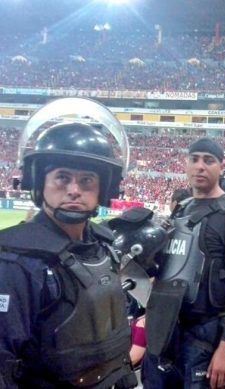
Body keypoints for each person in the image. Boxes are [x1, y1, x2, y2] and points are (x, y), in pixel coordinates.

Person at [0, 100, 137, 388]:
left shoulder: (104, 245)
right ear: (39, 183)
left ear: (104, 189)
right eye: (62, 178)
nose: (74, 190)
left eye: (87, 180)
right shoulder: (16, 261)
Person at [142, 138, 225, 389]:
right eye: (194, 159)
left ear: (221, 166)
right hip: (166, 331)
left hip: (206, 337)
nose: (200, 166)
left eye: (208, 160)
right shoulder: (180, 210)